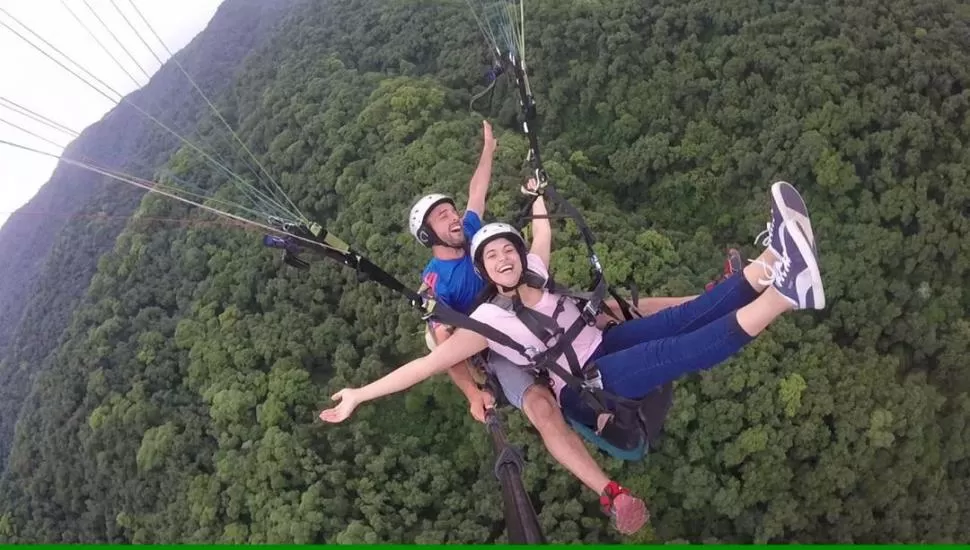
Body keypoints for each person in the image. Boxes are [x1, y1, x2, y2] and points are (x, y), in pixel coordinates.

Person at [319, 180, 825, 532]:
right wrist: (361, 394)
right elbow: (425, 365)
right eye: (491, 256)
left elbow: (542, 232)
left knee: (677, 321)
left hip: (602, 345)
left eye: (506, 250)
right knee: (679, 350)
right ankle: (786, 294)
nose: (503, 257)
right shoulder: (489, 322)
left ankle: (772, 261)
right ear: (486, 272)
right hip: (587, 382)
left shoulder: (536, 271)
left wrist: (538, 195)